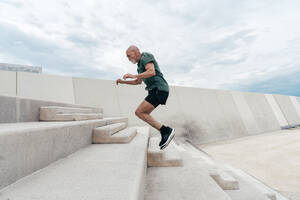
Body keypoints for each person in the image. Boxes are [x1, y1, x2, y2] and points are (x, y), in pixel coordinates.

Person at [116, 45, 175, 150]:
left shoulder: (145, 56)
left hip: (159, 88)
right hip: (154, 90)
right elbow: (137, 82)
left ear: (135, 52)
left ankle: (166, 130)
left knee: (140, 112)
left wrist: (134, 75)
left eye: (129, 56)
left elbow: (151, 71)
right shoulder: (139, 66)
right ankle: (165, 131)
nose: (128, 59)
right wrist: (123, 82)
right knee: (140, 112)